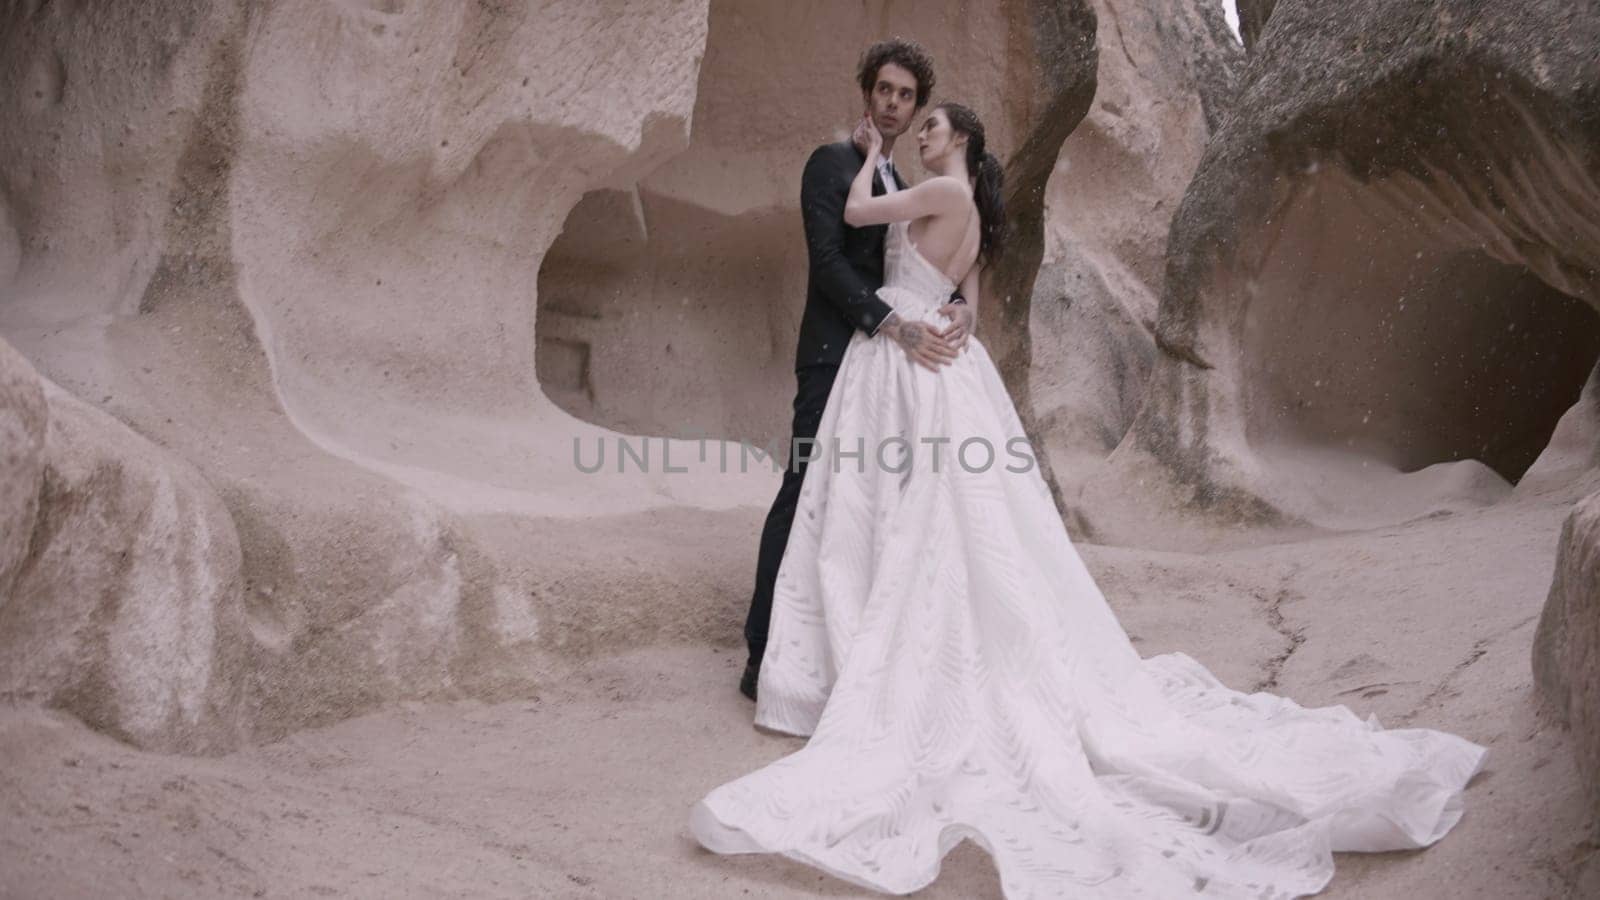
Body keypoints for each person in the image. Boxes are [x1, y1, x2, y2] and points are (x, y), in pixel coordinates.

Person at [690, 100, 1486, 898]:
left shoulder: (941, 193)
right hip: (951, 365)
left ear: (959, 138)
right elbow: (968, 302)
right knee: (948, 512)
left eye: (931, 125)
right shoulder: (975, 213)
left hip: (907, 358)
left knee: (900, 509)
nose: (920, 133)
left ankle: (868, 660)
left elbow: (861, 212)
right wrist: (950, 306)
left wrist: (867, 154)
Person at [739, 38, 970, 701]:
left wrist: (957, 306)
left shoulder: (895, 178)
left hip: (878, 368)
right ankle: (761, 655)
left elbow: (912, 267)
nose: (894, 103)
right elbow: (829, 261)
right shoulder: (830, 163)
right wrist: (891, 324)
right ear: (866, 92)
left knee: (854, 508)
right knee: (801, 489)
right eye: (884, 90)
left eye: (906, 95)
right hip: (832, 354)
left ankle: (828, 653)